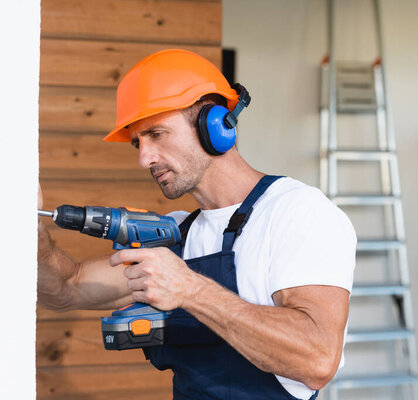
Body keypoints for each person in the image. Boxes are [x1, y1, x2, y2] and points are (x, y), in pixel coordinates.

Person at [37, 49, 357, 400]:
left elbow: (318, 360)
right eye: (137, 143)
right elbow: (66, 288)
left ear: (215, 125)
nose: (145, 158)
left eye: (157, 134)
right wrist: (31, 232)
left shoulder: (295, 212)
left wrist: (192, 290)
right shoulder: (176, 234)